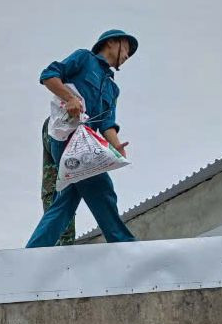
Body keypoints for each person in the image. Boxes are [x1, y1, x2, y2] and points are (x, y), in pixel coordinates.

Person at [27, 29, 140, 247]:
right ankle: (124, 244)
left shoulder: (112, 88)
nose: (127, 55)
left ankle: (35, 250)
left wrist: (116, 145)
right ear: (110, 43)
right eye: (126, 48)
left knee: (66, 201)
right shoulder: (83, 58)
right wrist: (69, 98)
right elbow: (48, 75)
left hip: (87, 141)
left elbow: (107, 122)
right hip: (67, 135)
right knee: (102, 189)